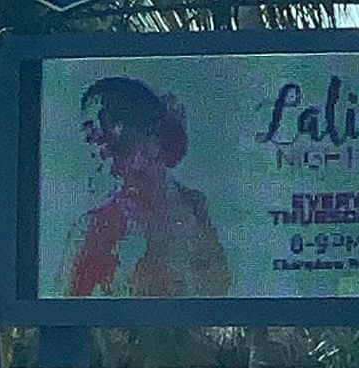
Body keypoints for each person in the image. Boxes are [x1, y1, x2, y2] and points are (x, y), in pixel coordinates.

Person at [60, 76, 231, 298]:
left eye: (110, 122)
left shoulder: (195, 207)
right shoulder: (93, 228)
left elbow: (219, 286)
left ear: (150, 133)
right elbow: (65, 304)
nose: (97, 140)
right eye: (91, 131)